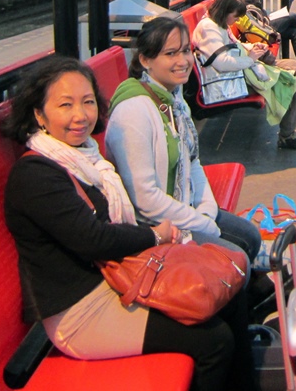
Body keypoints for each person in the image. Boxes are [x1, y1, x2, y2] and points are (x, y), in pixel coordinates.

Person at [1, 55, 255, 390]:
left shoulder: (86, 158)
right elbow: (94, 239)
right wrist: (155, 236)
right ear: (39, 115)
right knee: (214, 341)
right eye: (65, 105)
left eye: (87, 102)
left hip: (115, 279)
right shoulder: (36, 174)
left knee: (227, 293)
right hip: (81, 311)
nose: (80, 116)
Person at [105, 16, 262, 263]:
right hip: (154, 226)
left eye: (186, 51)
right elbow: (145, 200)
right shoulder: (133, 112)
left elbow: (193, 162)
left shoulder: (175, 100)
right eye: (170, 54)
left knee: (251, 236)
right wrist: (201, 223)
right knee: (236, 259)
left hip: (184, 207)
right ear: (145, 60)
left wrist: (207, 211)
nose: (183, 61)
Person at [192, 0, 296, 150]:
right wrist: (251, 58)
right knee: (288, 80)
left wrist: (254, 47)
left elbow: (235, 44)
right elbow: (222, 63)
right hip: (226, 84)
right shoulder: (209, 28)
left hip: (237, 73)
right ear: (225, 11)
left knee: (290, 66)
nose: (236, 21)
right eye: (235, 17)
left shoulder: (218, 24)